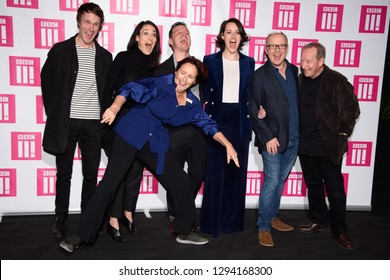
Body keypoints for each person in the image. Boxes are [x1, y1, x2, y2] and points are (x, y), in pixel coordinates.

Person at [59, 56, 240, 253]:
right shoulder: (161, 84)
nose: (184, 79)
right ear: (176, 71)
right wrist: (115, 107)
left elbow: (208, 124)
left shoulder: (191, 103)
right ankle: (80, 235)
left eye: (190, 77)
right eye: (182, 73)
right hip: (130, 133)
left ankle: (185, 231)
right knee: (110, 184)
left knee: (180, 180)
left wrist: (228, 144)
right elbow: (129, 89)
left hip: (153, 140)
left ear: (194, 81)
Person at [124, 21, 207, 235]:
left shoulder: (199, 67)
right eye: (178, 32)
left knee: (198, 173)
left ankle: (184, 211)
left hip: (197, 132)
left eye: (187, 32)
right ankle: (176, 215)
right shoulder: (160, 71)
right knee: (176, 175)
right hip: (173, 132)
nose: (184, 35)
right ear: (170, 41)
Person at [40, 2, 112, 239]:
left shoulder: (104, 56)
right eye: (87, 22)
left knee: (91, 174)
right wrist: (55, 112)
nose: (91, 28)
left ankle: (88, 219)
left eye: (96, 24)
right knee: (64, 174)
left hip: (93, 124)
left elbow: (108, 90)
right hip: (67, 123)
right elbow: (46, 81)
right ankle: (60, 218)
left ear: (100, 27)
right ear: (79, 22)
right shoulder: (60, 50)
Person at [297, 42, 360, 250]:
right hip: (305, 145)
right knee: (313, 184)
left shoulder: (336, 80)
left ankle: (340, 230)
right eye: (302, 60)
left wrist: (342, 133)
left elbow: (352, 109)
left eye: (308, 61)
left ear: (321, 61)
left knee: (335, 189)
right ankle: (320, 220)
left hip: (328, 145)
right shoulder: (300, 79)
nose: (303, 65)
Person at [103, 20, 161, 242]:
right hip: (121, 121)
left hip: (144, 124)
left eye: (153, 34)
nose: (149, 38)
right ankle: (113, 218)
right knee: (120, 171)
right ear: (137, 37)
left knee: (136, 171)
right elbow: (108, 90)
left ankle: (128, 212)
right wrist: (107, 122)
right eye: (145, 33)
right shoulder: (123, 58)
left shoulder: (155, 68)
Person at [200, 18, 254, 237]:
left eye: (237, 33)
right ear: (221, 36)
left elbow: (252, 93)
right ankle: (211, 224)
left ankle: (231, 224)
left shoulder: (249, 62)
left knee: (236, 176)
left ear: (241, 37)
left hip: (240, 121)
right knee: (214, 176)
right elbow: (203, 92)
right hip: (217, 120)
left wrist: (260, 110)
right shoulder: (209, 60)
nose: (232, 37)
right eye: (228, 32)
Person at [248, 32, 299, 247]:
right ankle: (263, 226)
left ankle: (274, 216)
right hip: (272, 141)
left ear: (287, 48)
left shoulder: (295, 70)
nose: (277, 51)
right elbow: (253, 109)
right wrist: (267, 136)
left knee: (280, 180)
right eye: (272, 46)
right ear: (266, 49)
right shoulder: (259, 76)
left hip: (294, 139)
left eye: (281, 46)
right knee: (271, 182)